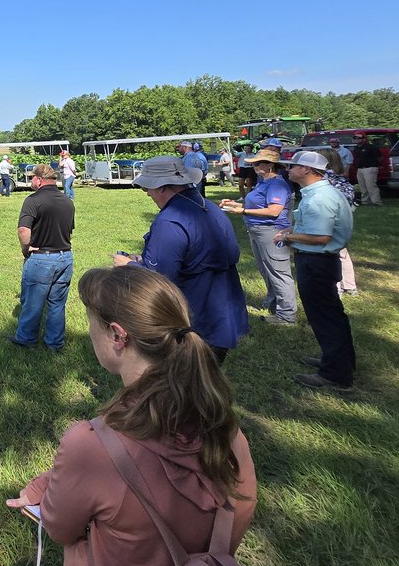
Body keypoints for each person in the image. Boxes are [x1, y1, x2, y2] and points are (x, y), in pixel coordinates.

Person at [7, 266, 257, 566]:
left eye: (90, 325)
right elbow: (240, 512)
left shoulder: (91, 446)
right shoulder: (227, 434)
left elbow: (59, 527)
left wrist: (53, 486)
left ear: (117, 335)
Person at [112, 157, 248, 363]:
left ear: (163, 187)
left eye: (147, 188)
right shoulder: (210, 208)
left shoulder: (170, 219)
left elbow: (159, 279)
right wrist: (142, 258)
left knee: (185, 386)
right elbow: (201, 255)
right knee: (208, 382)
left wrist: (128, 265)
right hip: (222, 316)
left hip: (193, 321)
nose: (147, 193)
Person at [275, 151, 356, 391]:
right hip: (321, 261)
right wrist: (294, 229)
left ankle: (335, 375)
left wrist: (287, 236)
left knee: (325, 317)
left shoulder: (318, 198)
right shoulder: (320, 192)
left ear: (308, 170)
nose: (288, 170)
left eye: (293, 166)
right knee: (332, 315)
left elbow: (321, 237)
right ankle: (340, 362)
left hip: (317, 261)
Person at [218, 148, 296, 325]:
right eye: (254, 163)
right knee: (266, 269)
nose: (253, 165)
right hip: (257, 231)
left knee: (279, 273)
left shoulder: (276, 184)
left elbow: (274, 211)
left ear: (270, 165)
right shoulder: (262, 181)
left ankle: (287, 315)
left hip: (272, 232)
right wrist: (235, 204)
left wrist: (243, 210)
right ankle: (274, 304)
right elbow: (259, 204)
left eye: (258, 163)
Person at [9, 164, 75, 351]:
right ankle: (54, 344)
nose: (31, 181)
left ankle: (26, 339)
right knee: (57, 304)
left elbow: (23, 229)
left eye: (32, 178)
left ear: (39, 179)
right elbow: (69, 232)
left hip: (41, 258)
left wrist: (26, 248)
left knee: (32, 302)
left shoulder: (33, 200)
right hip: (65, 257)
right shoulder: (67, 201)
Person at [321, 148, 359, 297]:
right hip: (344, 220)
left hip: (329, 221)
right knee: (342, 253)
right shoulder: (342, 180)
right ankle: (350, 286)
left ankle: (335, 287)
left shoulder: (325, 180)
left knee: (330, 255)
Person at [354, 133, 382, 206]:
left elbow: (379, 157)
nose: (357, 140)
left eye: (359, 138)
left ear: (364, 139)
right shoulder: (356, 148)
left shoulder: (371, 147)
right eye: (355, 138)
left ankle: (376, 202)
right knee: (362, 187)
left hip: (370, 168)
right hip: (360, 169)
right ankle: (365, 201)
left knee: (371, 186)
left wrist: (377, 165)